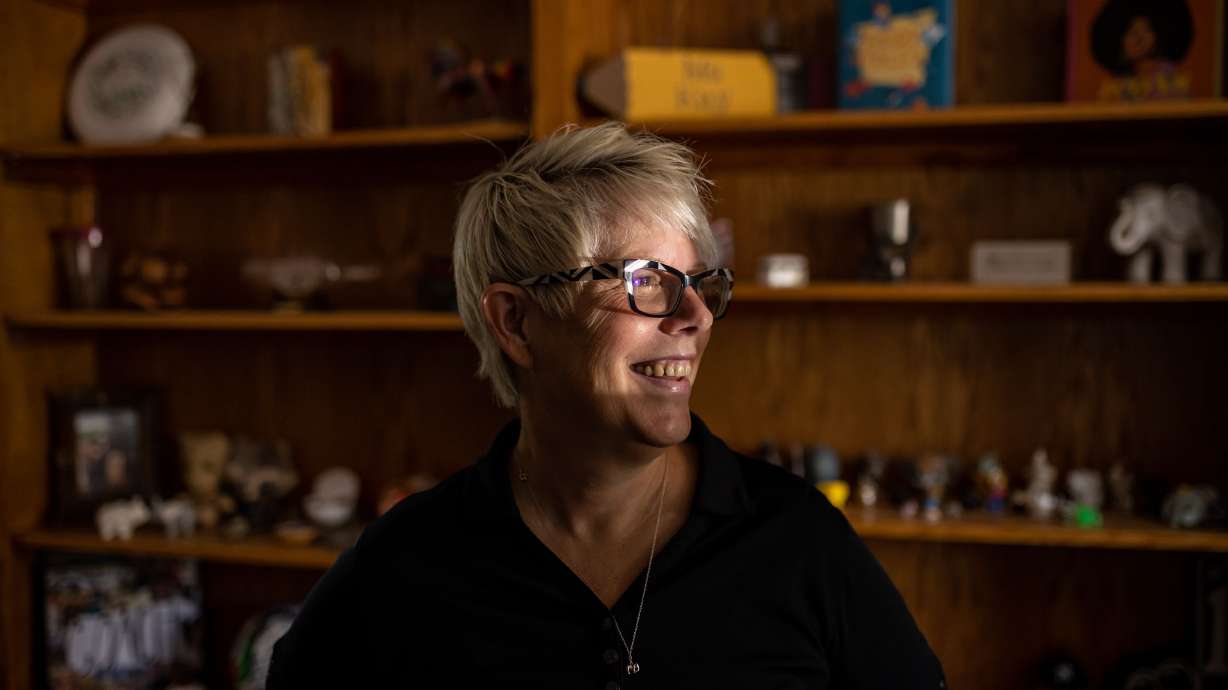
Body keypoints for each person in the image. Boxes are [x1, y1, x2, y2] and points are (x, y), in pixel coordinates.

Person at [267, 123, 945, 688]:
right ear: (517, 323)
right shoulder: (406, 564)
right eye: (646, 281)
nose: (696, 315)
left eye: (701, 283)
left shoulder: (798, 542)